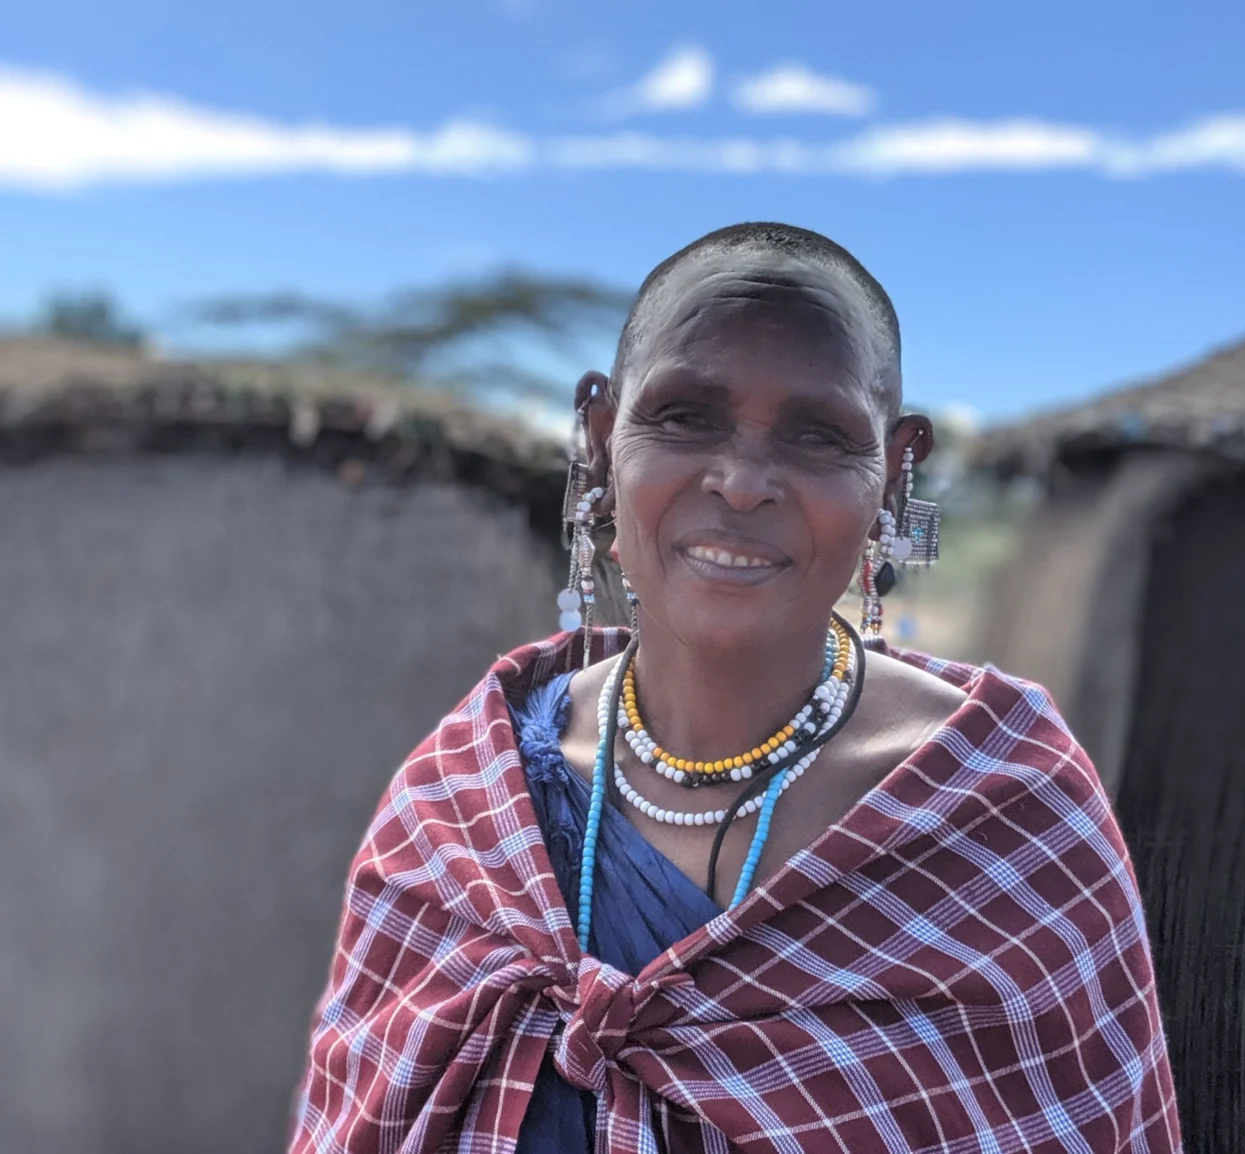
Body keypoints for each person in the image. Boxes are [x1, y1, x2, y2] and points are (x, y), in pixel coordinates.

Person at [287, 223, 1181, 1153]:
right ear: (600, 438)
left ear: (894, 471)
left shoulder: (1004, 819)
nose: (745, 482)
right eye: (683, 417)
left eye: (817, 434)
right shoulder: (464, 807)